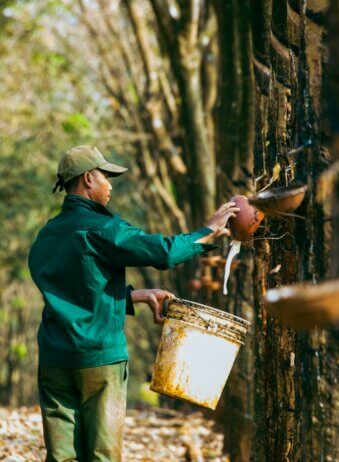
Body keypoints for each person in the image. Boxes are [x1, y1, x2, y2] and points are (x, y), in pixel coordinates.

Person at [28, 145, 239, 462]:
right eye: (106, 177)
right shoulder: (104, 228)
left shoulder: (46, 236)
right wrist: (206, 233)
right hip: (100, 360)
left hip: (55, 361)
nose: (110, 185)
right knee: (103, 456)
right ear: (88, 179)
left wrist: (133, 296)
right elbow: (162, 252)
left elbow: (74, 291)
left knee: (61, 457)